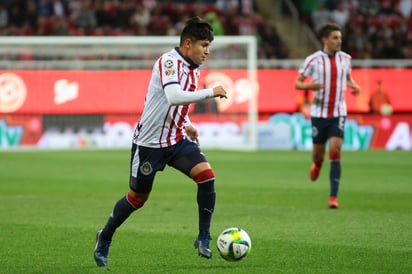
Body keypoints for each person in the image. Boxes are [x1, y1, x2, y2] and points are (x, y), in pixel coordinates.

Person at [94, 16, 228, 267]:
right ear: (188, 43)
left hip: (175, 139)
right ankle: (105, 235)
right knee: (137, 199)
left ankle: (203, 237)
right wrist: (212, 92)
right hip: (149, 145)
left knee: (207, 176)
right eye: (203, 45)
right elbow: (173, 95)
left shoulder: (194, 68)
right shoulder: (169, 61)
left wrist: (186, 124)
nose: (207, 51)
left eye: (209, 46)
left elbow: (175, 105)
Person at [294, 22, 360, 209]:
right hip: (318, 113)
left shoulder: (346, 59)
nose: (339, 41)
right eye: (335, 38)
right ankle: (317, 164)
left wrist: (353, 85)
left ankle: (333, 197)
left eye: (340, 38)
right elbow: (297, 84)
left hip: (338, 112)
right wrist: (310, 86)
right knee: (318, 156)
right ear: (325, 40)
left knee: (336, 149)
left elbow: (347, 77)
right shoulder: (313, 60)